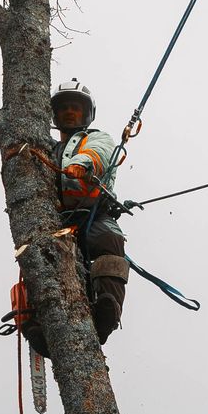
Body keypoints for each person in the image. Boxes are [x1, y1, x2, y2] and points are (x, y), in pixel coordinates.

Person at [50, 81, 128, 340]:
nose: (70, 113)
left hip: (93, 214)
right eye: (64, 109)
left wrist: (82, 164)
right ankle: (40, 322)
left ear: (86, 114)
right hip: (59, 221)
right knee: (46, 262)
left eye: (75, 108)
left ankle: (108, 311)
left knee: (111, 241)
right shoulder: (49, 149)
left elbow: (100, 153)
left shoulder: (95, 138)